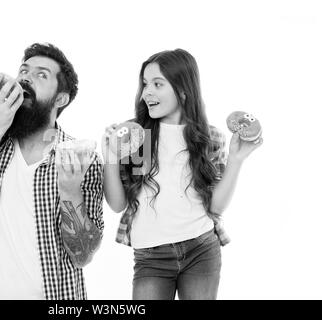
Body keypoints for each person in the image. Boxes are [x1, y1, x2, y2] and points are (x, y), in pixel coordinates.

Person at [0, 43, 103, 300]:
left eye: (41, 75)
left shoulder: (82, 159)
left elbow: (82, 255)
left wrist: (70, 191)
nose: (25, 78)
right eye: (23, 71)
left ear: (61, 99)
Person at [102, 49, 263, 300]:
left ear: (183, 89)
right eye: (145, 84)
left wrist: (236, 159)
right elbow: (117, 204)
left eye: (157, 84)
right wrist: (110, 157)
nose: (147, 92)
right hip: (151, 257)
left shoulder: (208, 138)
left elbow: (216, 207)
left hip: (201, 250)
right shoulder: (138, 136)